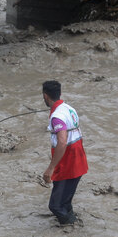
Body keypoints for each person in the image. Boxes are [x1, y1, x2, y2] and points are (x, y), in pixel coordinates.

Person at [41, 80, 88, 226]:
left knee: (55, 205)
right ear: (60, 93)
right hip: (78, 156)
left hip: (67, 159)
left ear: (45, 96)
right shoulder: (69, 108)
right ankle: (70, 219)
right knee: (65, 200)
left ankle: (70, 226)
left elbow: (62, 141)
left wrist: (51, 168)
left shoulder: (57, 117)